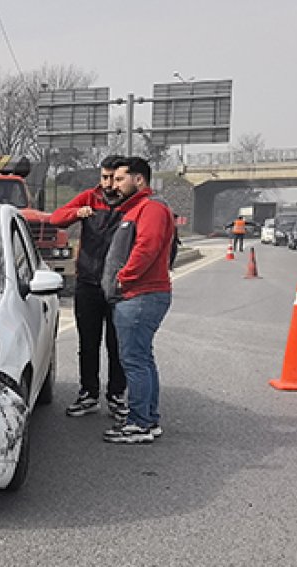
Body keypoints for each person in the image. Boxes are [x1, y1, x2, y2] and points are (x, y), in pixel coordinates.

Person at [101, 157, 176, 444]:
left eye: (120, 179)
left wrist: (124, 278)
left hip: (140, 295)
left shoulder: (152, 208)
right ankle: (148, 419)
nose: (114, 185)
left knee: (134, 360)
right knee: (142, 359)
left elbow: (148, 246)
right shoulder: (137, 209)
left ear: (139, 180)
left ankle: (139, 423)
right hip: (138, 294)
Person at [49, 155, 128, 421]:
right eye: (104, 177)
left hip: (119, 286)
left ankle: (117, 396)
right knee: (88, 342)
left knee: (117, 345)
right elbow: (56, 219)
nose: (108, 183)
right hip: (88, 281)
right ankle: (89, 394)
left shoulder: (133, 203)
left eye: (114, 178)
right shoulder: (89, 197)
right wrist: (76, 213)